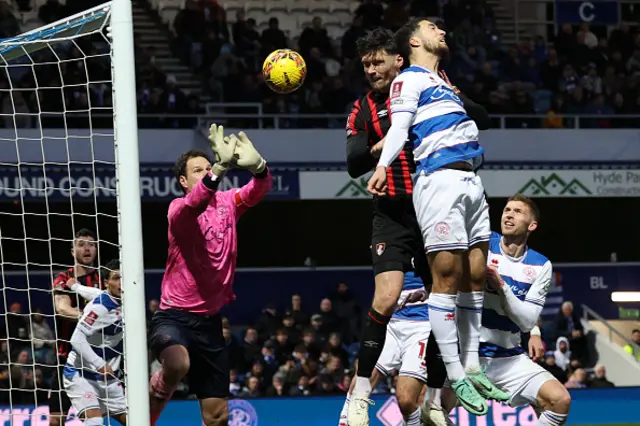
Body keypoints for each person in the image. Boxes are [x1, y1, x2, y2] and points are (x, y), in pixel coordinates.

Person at [346, 28, 492, 425]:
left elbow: (483, 117)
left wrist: (455, 96)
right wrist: (382, 147)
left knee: (443, 298)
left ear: (398, 59)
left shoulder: (432, 84)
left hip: (428, 206)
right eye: (366, 65)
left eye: (377, 61)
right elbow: (353, 161)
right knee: (386, 296)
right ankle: (359, 395)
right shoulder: (363, 109)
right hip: (392, 215)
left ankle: (432, 401)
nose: (372, 69)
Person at [147, 124, 272, 426]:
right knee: (177, 363)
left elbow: (259, 190)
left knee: (217, 417)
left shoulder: (228, 203)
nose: (205, 173)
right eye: (197, 171)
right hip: (174, 316)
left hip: (210, 323)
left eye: (208, 167)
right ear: (183, 181)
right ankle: (148, 404)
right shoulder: (179, 210)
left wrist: (259, 167)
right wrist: (217, 169)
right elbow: (198, 201)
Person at [426, 195, 571, 426]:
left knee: (560, 400)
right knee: (433, 412)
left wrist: (502, 287)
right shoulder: (482, 244)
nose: (509, 215)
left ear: (531, 225)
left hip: (508, 358)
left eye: (517, 211)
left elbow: (526, 321)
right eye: (506, 210)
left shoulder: (540, 265)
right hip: (464, 354)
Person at [339, 267, 431, 426]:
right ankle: (345, 420)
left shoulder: (432, 246)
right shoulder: (389, 246)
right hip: (391, 323)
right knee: (365, 373)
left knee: (407, 400)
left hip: (422, 326)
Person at [63, 259, 127, 426]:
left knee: (136, 421)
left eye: (124, 277)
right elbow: (76, 339)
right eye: (117, 278)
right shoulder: (99, 309)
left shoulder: (125, 301)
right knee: (95, 421)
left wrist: (75, 287)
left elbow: (94, 293)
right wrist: (99, 363)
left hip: (109, 378)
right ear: (107, 282)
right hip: (81, 374)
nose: (122, 282)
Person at [50, 228, 102, 426]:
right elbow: (62, 309)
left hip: (97, 360)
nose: (87, 249)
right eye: (81, 244)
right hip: (66, 359)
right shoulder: (63, 277)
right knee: (56, 421)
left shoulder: (105, 278)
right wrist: (92, 317)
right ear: (73, 251)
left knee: (96, 418)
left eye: (91, 244)